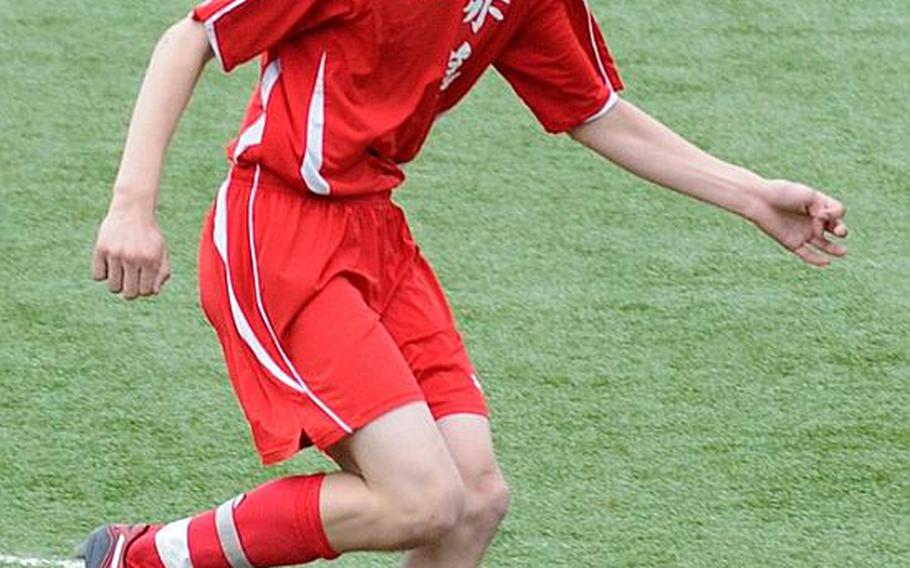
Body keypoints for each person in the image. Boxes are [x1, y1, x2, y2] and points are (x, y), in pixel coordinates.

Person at [81, 0, 849, 567]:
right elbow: (188, 40)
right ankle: (138, 559)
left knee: (474, 504)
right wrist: (131, 207)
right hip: (276, 235)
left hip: (375, 233)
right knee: (419, 500)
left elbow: (595, 109)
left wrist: (752, 195)